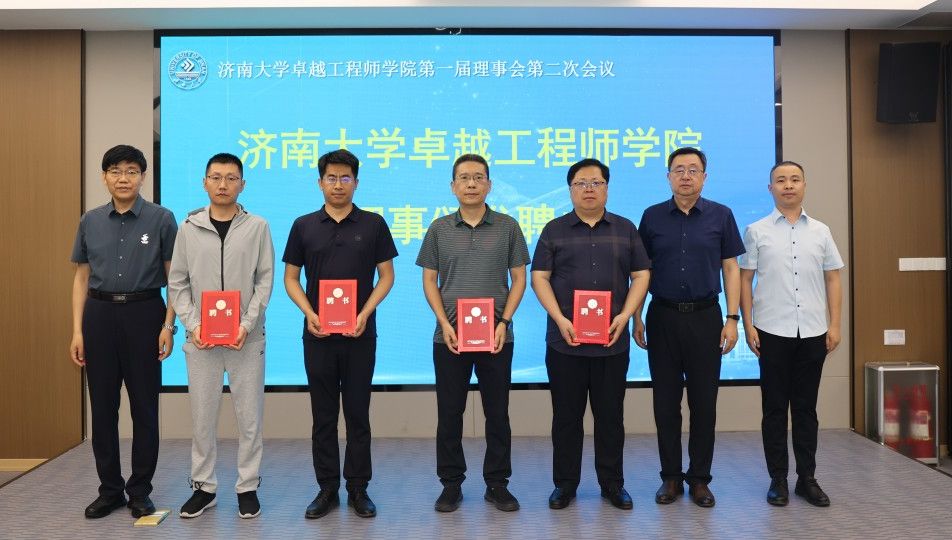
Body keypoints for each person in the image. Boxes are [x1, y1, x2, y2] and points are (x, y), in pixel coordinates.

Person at [283, 149, 398, 519]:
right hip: (317, 334)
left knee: (358, 413)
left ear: (356, 183)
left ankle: (359, 488)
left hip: (360, 333)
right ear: (320, 183)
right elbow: (291, 278)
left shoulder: (374, 224)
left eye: (345, 178)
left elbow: (387, 276)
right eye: (331, 178)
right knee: (323, 416)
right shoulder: (303, 225)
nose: (338, 184)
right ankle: (327, 489)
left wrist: (365, 312)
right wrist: (309, 313)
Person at [531, 158, 650, 510]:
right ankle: (565, 485)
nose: (588, 189)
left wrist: (626, 316)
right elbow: (539, 277)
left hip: (612, 342)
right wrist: (559, 318)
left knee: (610, 417)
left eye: (596, 183)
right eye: (580, 183)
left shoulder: (626, 229)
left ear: (607, 189)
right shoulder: (554, 230)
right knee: (566, 418)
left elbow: (641, 275)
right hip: (565, 342)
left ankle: (612, 484)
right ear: (570, 190)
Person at [416, 154, 530, 513]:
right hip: (449, 337)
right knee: (450, 413)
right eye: (464, 177)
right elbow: (429, 280)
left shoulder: (508, 226)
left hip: (497, 337)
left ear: (489, 185)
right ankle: (451, 484)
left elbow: (520, 278)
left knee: (498, 413)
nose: (471, 184)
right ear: (453, 186)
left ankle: (497, 484)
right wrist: (444, 323)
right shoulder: (439, 228)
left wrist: (504, 322)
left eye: (478, 177)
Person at [69, 144, 177, 519]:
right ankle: (110, 490)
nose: (123, 178)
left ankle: (140, 491)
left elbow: (176, 278)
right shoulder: (90, 220)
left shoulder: (162, 219)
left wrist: (169, 325)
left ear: (143, 177)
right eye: (115, 171)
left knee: (144, 407)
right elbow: (81, 278)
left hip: (145, 313)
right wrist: (77, 330)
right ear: (105, 177)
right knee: (103, 408)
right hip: (98, 315)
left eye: (132, 171)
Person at [635, 147, 744, 508]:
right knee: (666, 403)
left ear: (704, 177)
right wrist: (636, 315)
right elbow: (641, 271)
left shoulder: (721, 215)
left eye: (693, 170)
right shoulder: (651, 217)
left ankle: (699, 479)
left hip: (706, 317)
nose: (686, 176)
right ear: (668, 176)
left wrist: (732, 318)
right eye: (679, 169)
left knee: (704, 403)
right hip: (662, 316)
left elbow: (730, 268)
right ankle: (670, 477)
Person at [167, 153, 274, 519]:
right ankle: (204, 487)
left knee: (249, 419)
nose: (223, 184)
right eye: (216, 177)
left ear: (242, 184)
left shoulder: (258, 226)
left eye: (231, 178)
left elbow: (264, 281)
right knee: (202, 418)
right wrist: (194, 325)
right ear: (204, 183)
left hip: (247, 338)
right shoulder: (189, 227)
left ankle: (247, 486)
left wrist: (246, 324)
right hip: (202, 341)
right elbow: (177, 282)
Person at [739, 160, 843, 507]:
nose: (788, 185)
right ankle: (778, 480)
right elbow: (745, 279)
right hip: (771, 331)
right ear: (770, 188)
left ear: (804, 186)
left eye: (795, 179)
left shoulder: (821, 231)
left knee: (806, 409)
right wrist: (748, 324)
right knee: (774, 409)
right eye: (781, 180)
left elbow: (833, 278)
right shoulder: (756, 230)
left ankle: (807, 479)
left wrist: (835, 324)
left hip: (813, 331)